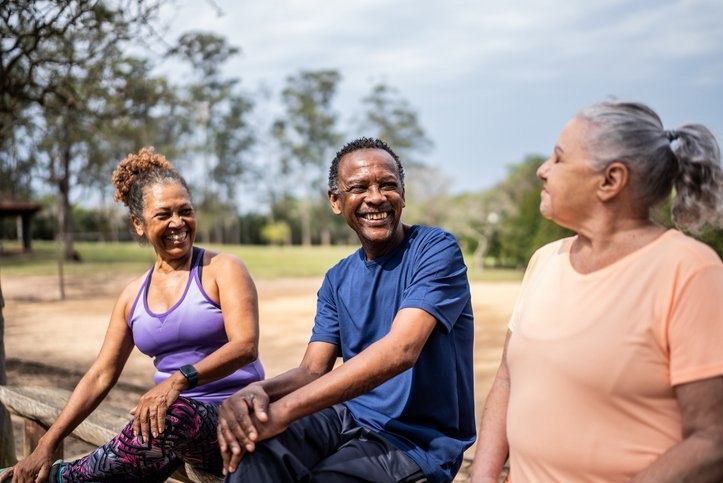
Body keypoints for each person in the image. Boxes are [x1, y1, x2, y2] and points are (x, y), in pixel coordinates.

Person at [469, 101, 723, 482]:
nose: (542, 171)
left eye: (558, 158)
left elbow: (711, 440)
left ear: (610, 180)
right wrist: (483, 476)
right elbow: (507, 376)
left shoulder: (690, 271)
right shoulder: (545, 260)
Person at [216, 137, 476, 483]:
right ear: (336, 202)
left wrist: (284, 409)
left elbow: (401, 350)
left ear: (403, 194)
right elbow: (312, 370)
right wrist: (259, 391)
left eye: (388, 185)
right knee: (256, 450)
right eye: (359, 187)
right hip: (347, 417)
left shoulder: (434, 249)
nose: (376, 197)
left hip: (414, 441)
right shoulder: (338, 278)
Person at [0, 147, 264, 483]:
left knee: (170, 417)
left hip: (234, 417)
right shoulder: (132, 296)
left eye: (186, 211)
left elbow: (246, 346)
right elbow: (100, 375)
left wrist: (177, 380)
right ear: (138, 225)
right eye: (163, 215)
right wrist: (48, 444)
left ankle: (61, 479)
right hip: (165, 428)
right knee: (153, 433)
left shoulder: (222, 269)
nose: (178, 223)